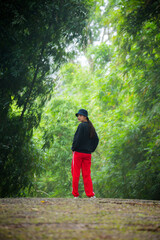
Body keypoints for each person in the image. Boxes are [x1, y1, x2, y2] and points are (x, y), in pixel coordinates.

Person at [71, 109, 99, 198]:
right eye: (78, 115)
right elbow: (96, 140)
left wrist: (73, 148)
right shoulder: (91, 127)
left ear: (85, 116)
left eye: (80, 115)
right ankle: (90, 195)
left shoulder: (81, 126)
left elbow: (77, 139)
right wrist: (91, 149)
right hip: (87, 154)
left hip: (78, 153)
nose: (78, 117)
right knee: (86, 174)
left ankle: (75, 195)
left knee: (75, 174)